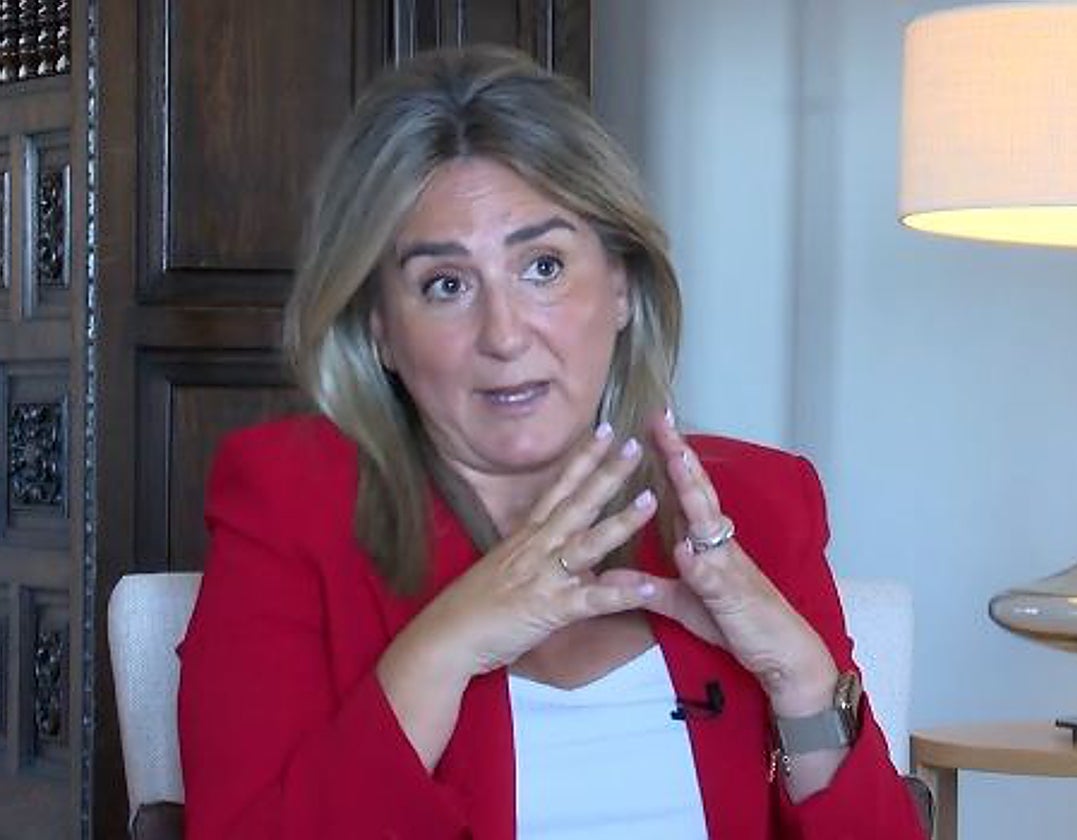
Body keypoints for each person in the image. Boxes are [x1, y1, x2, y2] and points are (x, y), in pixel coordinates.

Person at [177, 45, 925, 839]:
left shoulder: (756, 507)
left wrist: (801, 680)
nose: (503, 335)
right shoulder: (292, 506)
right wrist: (443, 648)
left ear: (622, 286)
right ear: (380, 330)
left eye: (542, 267)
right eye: (445, 285)